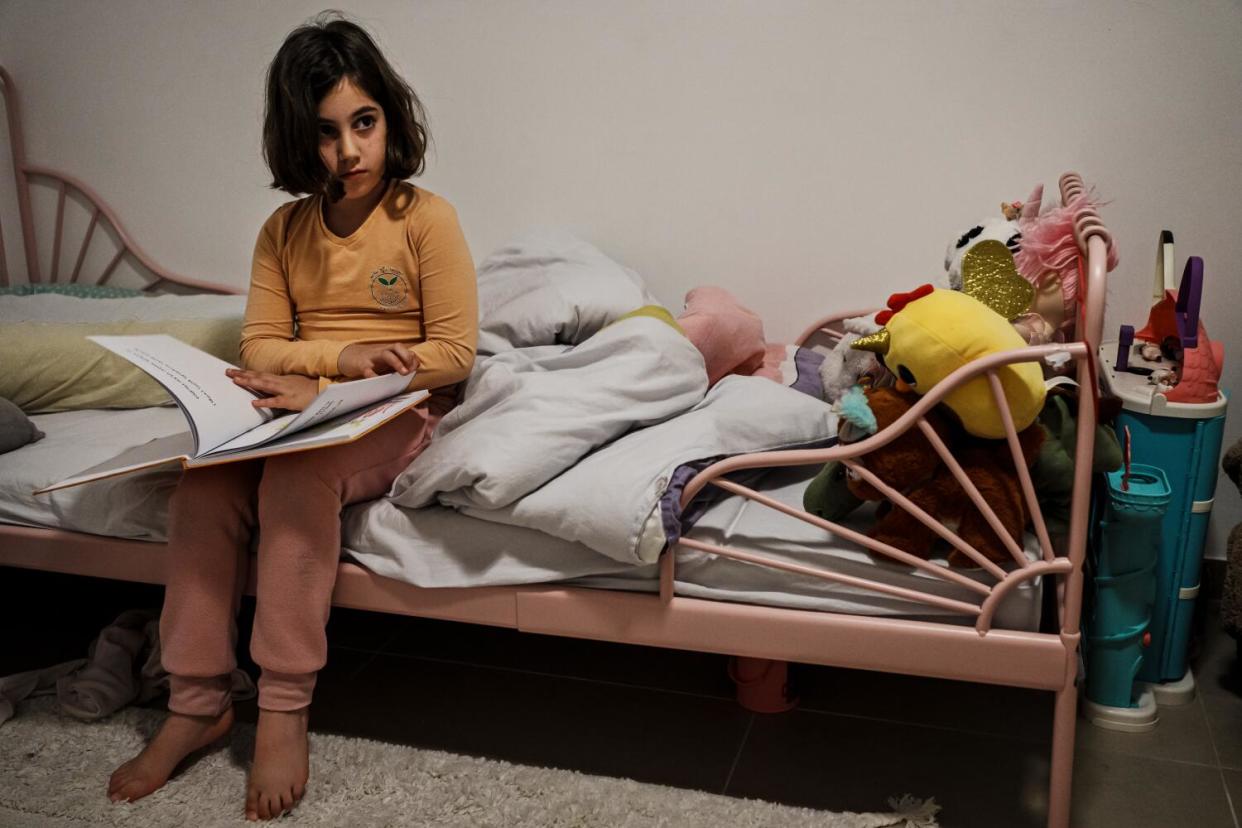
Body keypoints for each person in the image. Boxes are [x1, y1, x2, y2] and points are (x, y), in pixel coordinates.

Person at [107, 14, 477, 820]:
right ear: (294, 139)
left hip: (399, 405)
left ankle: (282, 704)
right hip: (312, 402)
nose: (348, 151)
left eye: (364, 123)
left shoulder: (424, 218)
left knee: (297, 479)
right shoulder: (284, 231)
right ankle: (197, 703)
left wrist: (354, 377)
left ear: (390, 119)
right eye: (325, 133)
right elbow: (262, 345)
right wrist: (333, 366)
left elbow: (452, 352)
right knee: (201, 490)